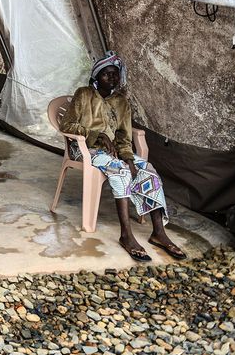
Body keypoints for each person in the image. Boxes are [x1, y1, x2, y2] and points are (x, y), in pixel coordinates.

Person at [59, 51, 186, 262]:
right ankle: (126, 235)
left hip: (115, 152)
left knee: (148, 171)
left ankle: (159, 233)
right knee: (120, 173)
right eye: (106, 74)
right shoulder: (84, 94)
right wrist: (95, 134)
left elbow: (124, 136)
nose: (112, 78)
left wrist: (128, 158)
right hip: (86, 150)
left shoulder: (121, 102)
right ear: (96, 77)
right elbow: (67, 125)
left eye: (115, 74)